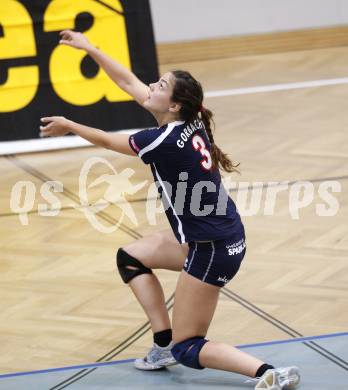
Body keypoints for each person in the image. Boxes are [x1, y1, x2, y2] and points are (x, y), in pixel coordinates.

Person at [39, 29, 301, 390]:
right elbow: (127, 81)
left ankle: (267, 372)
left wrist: (68, 125)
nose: (151, 86)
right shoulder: (189, 119)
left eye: (160, 86)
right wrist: (91, 48)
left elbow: (103, 138)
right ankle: (161, 346)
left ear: (174, 104)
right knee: (131, 257)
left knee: (189, 347)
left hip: (212, 249)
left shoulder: (160, 140)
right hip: (214, 235)